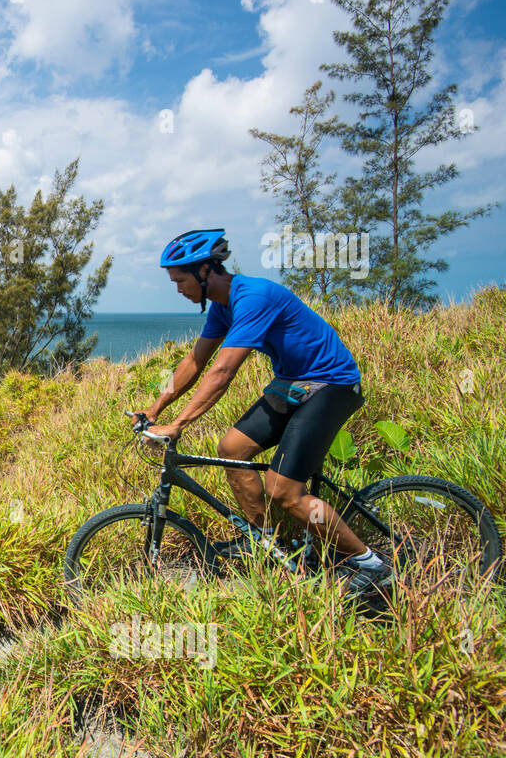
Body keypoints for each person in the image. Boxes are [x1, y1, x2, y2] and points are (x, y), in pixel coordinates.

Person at [133, 228, 393, 610]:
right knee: (232, 449)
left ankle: (368, 563)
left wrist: (179, 424)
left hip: (332, 385)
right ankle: (269, 542)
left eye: (181, 280)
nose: (178, 289)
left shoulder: (253, 297)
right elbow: (195, 361)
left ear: (206, 272)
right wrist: (155, 409)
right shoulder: (223, 306)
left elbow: (222, 371)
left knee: (283, 491)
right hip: (292, 384)